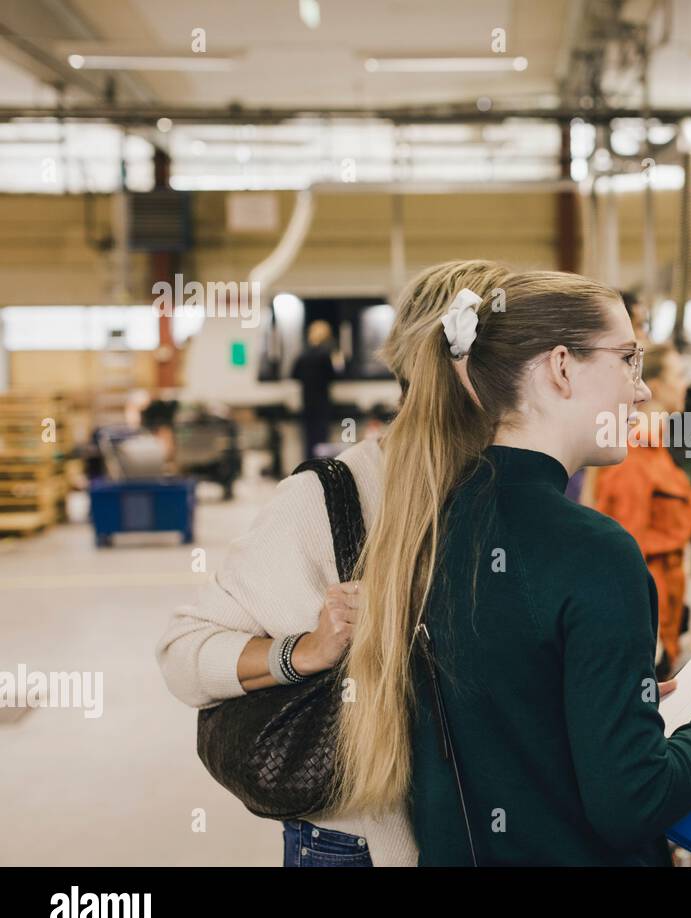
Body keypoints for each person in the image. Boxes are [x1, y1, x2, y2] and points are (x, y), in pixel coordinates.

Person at [329, 271, 691, 865]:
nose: (643, 390)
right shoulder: (594, 550)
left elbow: (505, 716)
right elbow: (634, 804)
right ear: (561, 368)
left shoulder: (422, 523)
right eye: (627, 359)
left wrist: (617, 701)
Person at [157, 260, 513, 867]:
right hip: (368, 847)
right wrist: (305, 652)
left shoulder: (524, 491)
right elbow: (183, 653)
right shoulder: (331, 497)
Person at [592, 344, 691, 674]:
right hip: (644, 617)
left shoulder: (655, 451)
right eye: (678, 375)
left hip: (662, 611)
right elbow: (626, 547)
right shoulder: (635, 454)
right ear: (655, 383)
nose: (684, 385)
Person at [291, 320, 338, 459]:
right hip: (322, 402)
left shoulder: (302, 355)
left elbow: (294, 375)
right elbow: (333, 376)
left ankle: (307, 468)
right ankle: (320, 469)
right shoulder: (326, 355)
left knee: (308, 439)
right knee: (321, 439)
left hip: (307, 402)